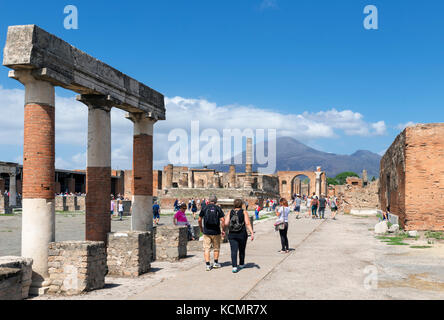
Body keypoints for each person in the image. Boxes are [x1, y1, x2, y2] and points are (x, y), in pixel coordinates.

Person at [224, 199, 254, 273]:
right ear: (241, 204)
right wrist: (252, 232)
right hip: (242, 234)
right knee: (242, 249)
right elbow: (247, 223)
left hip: (232, 234)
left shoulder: (230, 212)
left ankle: (234, 266)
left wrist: (224, 230)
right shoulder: (244, 212)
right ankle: (241, 264)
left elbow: (226, 223)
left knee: (233, 250)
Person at [198, 195, 225, 271]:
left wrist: (201, 228)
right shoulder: (218, 208)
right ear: (216, 201)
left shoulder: (204, 208)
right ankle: (216, 263)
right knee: (216, 248)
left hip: (207, 231)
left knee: (207, 248)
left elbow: (199, 220)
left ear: (208, 201)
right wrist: (223, 229)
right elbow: (223, 220)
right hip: (216, 231)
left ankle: (208, 265)